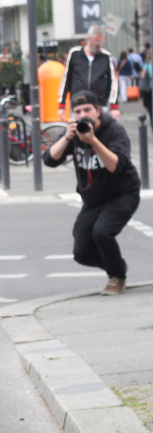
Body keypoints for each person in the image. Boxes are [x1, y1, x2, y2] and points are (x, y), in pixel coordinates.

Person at [43, 89, 141, 295]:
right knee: (81, 252)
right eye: (77, 111)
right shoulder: (75, 130)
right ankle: (116, 266)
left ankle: (117, 278)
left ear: (98, 111)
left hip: (122, 193)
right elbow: (50, 160)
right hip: (94, 199)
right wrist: (67, 137)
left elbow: (117, 166)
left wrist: (93, 141)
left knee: (102, 232)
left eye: (87, 109)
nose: (82, 115)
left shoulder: (114, 130)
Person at [60, 25, 120, 120]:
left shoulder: (106, 56)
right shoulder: (75, 54)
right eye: (96, 42)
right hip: (78, 102)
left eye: (101, 42)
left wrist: (114, 105)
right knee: (79, 131)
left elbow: (113, 81)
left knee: (101, 131)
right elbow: (66, 79)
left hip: (98, 103)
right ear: (89, 39)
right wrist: (61, 104)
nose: (99, 45)